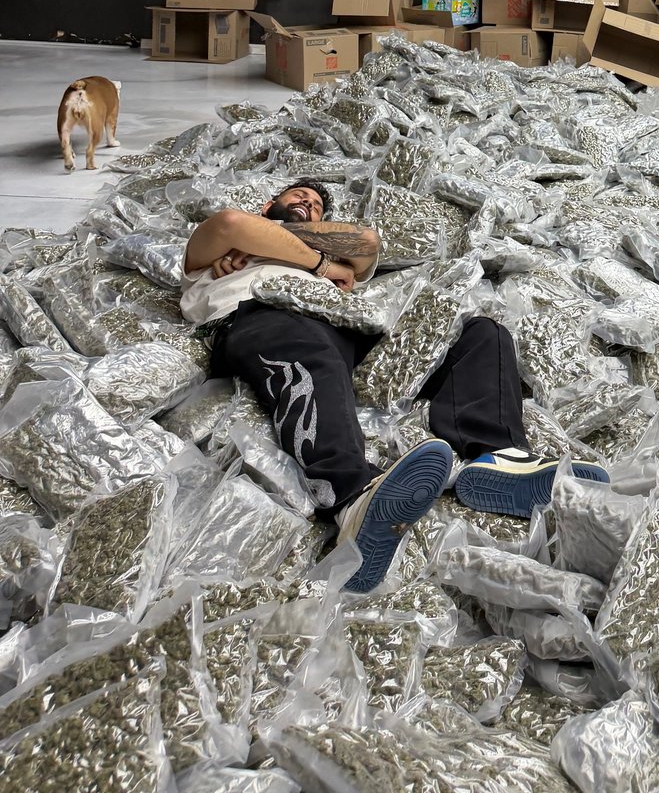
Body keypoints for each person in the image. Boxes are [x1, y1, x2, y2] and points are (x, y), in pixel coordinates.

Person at [181, 179, 606, 591]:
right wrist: (319, 263)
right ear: (266, 206)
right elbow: (231, 225)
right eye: (299, 196)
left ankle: (500, 458)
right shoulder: (218, 255)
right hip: (265, 317)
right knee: (309, 350)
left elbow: (366, 242)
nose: (308, 204)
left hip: (347, 327)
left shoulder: (298, 252)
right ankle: (353, 499)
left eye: (316, 207)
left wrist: (282, 245)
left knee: (479, 334)